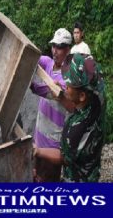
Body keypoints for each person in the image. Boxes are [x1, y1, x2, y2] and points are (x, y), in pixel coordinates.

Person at [34, 53, 105, 182]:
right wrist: (62, 90)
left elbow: (64, 158)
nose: (64, 83)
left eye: (68, 83)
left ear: (82, 96)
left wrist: (38, 151)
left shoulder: (76, 129)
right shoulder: (97, 96)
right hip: (92, 171)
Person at [31, 28, 74, 182]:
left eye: (60, 47)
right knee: (35, 179)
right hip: (39, 138)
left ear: (68, 50)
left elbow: (47, 91)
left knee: (48, 183)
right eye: (53, 46)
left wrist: (31, 86)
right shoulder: (48, 63)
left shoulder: (68, 77)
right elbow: (32, 56)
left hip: (53, 146)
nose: (55, 51)